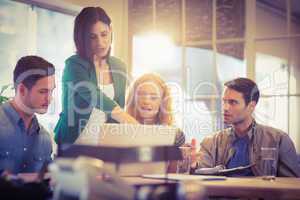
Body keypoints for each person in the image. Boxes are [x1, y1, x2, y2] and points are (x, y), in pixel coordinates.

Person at [54, 7, 137, 144]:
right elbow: (94, 95)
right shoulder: (74, 65)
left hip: (103, 145)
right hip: (73, 144)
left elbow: (120, 104)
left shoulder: (119, 66)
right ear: (82, 38)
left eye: (104, 34)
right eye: (92, 37)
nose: (100, 42)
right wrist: (128, 120)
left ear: (110, 31)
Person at [193, 78, 300, 177]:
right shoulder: (211, 141)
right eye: (224, 101)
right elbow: (201, 178)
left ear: (251, 106)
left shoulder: (278, 140)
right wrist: (192, 164)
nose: (225, 108)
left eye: (232, 102)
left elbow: (291, 186)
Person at [0, 56, 55, 174]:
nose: (49, 99)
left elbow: (48, 183)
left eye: (51, 91)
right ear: (22, 90)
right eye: (43, 91)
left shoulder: (44, 138)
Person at [126, 73, 185, 146]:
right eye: (141, 95)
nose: (146, 101)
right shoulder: (120, 130)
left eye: (153, 97)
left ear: (162, 102)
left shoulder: (175, 135)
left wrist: (185, 153)